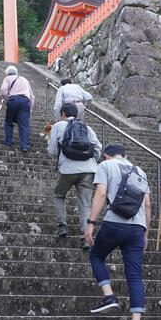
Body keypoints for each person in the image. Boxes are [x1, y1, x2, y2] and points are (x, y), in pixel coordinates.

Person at [84, 143, 151, 320]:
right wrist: (146, 231)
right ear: (126, 155)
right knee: (135, 276)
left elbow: (102, 194)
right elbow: (147, 204)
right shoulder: (140, 171)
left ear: (106, 156)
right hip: (138, 228)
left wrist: (91, 223)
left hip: (114, 223)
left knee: (96, 255)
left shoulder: (106, 166)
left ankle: (109, 295)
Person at [47, 103, 102, 250]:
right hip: (89, 169)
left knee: (59, 195)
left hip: (67, 169)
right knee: (85, 204)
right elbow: (98, 148)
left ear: (63, 113)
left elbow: (52, 150)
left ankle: (62, 227)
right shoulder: (87, 128)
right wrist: (92, 161)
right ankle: (85, 238)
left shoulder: (58, 126)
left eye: (60, 114)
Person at [0, 65, 35, 152]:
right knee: (24, 125)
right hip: (25, 102)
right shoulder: (24, 79)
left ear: (7, 73)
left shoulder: (7, 78)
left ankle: (8, 141)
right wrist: (30, 109)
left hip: (13, 100)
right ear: (16, 73)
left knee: (8, 121)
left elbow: (3, 90)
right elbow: (32, 95)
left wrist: (1, 99)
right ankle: (24, 146)